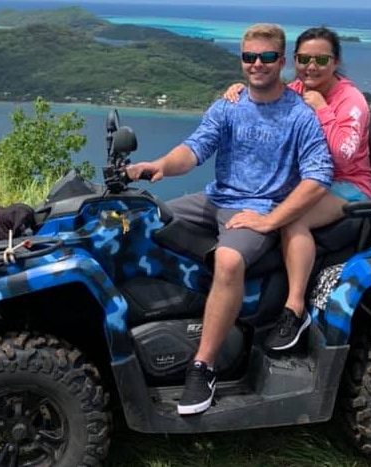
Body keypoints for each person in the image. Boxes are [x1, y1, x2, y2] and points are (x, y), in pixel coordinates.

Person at [127, 23, 333, 416]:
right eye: (249, 57)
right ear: (241, 60)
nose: (257, 64)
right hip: (215, 198)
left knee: (228, 259)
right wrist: (158, 166)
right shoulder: (229, 105)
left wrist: (272, 219)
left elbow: (319, 176)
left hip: (256, 207)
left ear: (282, 61)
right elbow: (194, 149)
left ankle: (202, 367)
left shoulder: (299, 116)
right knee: (142, 218)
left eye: (267, 57)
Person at [222, 26, 371, 351]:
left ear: (335, 62)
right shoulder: (293, 89)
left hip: (347, 186)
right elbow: (266, 101)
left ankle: (294, 308)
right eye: (304, 59)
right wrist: (241, 89)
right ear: (294, 59)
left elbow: (342, 156)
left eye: (321, 59)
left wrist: (322, 109)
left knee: (291, 218)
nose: (311, 67)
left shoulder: (351, 100)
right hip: (307, 181)